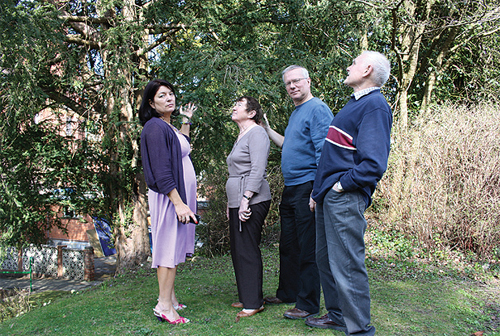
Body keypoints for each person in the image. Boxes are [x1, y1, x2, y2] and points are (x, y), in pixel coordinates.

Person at [307, 51, 393, 335]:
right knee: (325, 259)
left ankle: (360, 330)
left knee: (347, 262)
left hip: (344, 196)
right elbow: (331, 158)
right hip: (327, 196)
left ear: (367, 69)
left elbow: (373, 164)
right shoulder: (353, 105)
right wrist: (318, 193)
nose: (348, 66)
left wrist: (340, 186)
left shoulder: (375, 105)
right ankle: (337, 315)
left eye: (354, 62)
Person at [262, 65, 333, 319]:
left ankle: (308, 304)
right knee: (288, 245)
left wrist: (317, 190)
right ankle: (288, 292)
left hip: (308, 187)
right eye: (288, 84)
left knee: (307, 247)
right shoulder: (296, 113)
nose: (292, 86)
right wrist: (267, 129)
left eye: (296, 81)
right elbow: (288, 145)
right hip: (291, 189)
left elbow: (325, 152)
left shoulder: (317, 109)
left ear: (308, 81)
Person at [139, 79, 198, 325]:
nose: (169, 98)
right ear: (152, 103)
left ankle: (169, 298)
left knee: (171, 248)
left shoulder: (166, 127)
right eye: (162, 96)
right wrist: (177, 202)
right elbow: (161, 170)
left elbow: (180, 145)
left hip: (174, 196)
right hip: (168, 197)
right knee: (167, 250)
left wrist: (186, 119)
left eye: (171, 94)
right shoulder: (154, 127)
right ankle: (164, 306)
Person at [226, 96, 271, 321]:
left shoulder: (257, 133)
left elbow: (258, 169)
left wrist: (245, 198)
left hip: (252, 199)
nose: (234, 108)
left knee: (247, 249)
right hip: (238, 199)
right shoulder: (242, 135)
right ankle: (247, 296)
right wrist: (231, 203)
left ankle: (254, 303)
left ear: (252, 113)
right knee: (238, 249)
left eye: (239, 105)